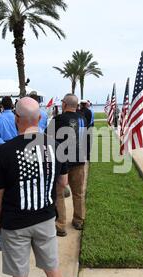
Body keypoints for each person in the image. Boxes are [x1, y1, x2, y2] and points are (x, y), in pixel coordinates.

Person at [0, 97, 68, 277]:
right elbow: (63, 182)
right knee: (53, 271)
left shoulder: (4, 151)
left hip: (14, 222)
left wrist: (0, 219)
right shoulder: (56, 146)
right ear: (40, 117)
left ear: (17, 118)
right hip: (46, 217)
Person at [46, 94, 88, 237]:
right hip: (79, 160)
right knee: (78, 193)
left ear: (64, 104)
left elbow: (48, 139)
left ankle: (60, 225)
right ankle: (79, 220)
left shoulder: (57, 119)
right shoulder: (83, 119)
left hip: (61, 161)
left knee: (58, 194)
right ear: (76, 105)